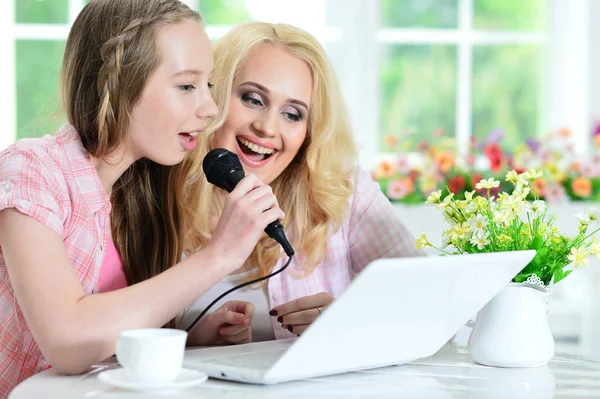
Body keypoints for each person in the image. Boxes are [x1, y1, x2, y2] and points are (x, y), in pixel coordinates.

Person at [0, 1, 285, 394]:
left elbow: (108, 336)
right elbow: (67, 340)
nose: (210, 108)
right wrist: (219, 255)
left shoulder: (139, 191)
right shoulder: (30, 171)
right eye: (187, 86)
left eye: (209, 86)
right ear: (116, 85)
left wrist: (192, 333)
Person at [184, 21, 422, 342]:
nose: (268, 128)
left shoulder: (344, 195)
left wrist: (350, 324)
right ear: (214, 95)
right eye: (253, 99)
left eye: (292, 114)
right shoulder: (151, 195)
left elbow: (428, 307)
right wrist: (191, 340)